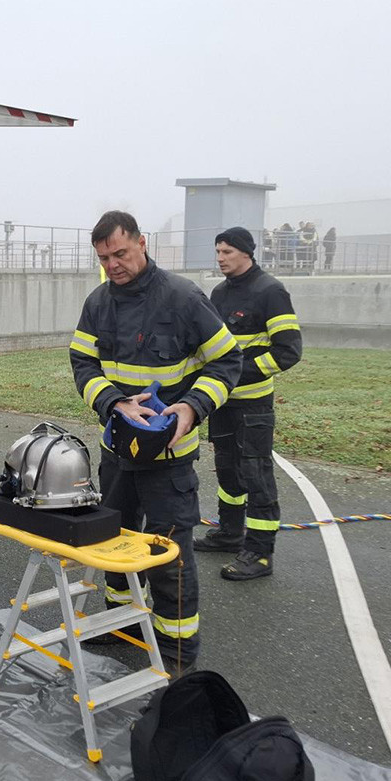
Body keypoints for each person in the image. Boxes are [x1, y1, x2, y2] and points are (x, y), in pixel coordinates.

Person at [70, 211, 242, 674]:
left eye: (121, 253)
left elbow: (228, 361)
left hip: (169, 458)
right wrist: (112, 403)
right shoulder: (98, 303)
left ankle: (177, 651)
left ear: (142, 243)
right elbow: (82, 364)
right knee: (115, 540)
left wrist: (191, 408)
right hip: (116, 452)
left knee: (169, 555)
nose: (114, 265)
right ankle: (124, 624)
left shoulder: (183, 298)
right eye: (104, 257)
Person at [195, 227, 302, 580]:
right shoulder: (220, 292)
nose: (221, 258)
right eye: (218, 251)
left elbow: (288, 351)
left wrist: (238, 373)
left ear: (246, 253)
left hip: (253, 406)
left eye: (227, 251)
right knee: (228, 471)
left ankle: (259, 552)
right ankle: (230, 533)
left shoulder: (270, 291)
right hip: (222, 403)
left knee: (256, 475)